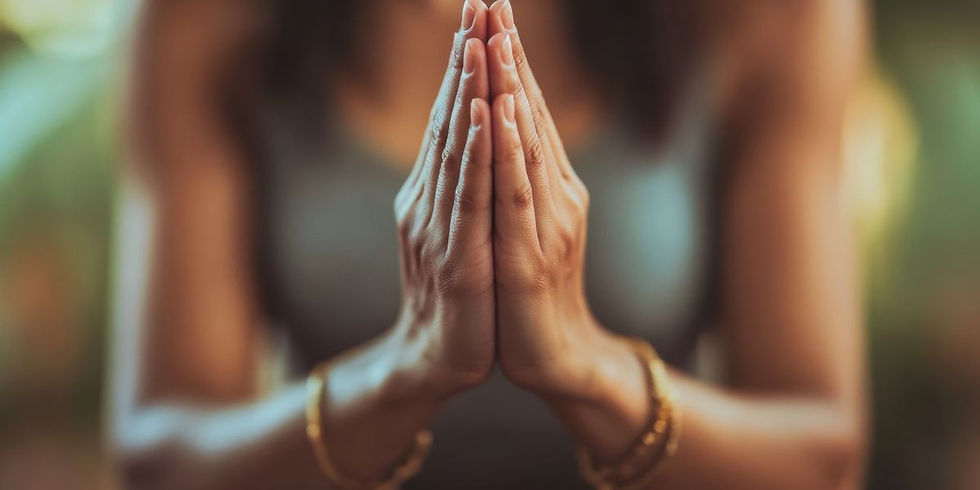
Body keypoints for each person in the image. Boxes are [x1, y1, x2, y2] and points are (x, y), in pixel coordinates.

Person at [108, 0, 869, 488]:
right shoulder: (200, 21)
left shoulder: (774, 17)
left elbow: (819, 449)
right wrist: (403, 375)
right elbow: (159, 452)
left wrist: (585, 369)